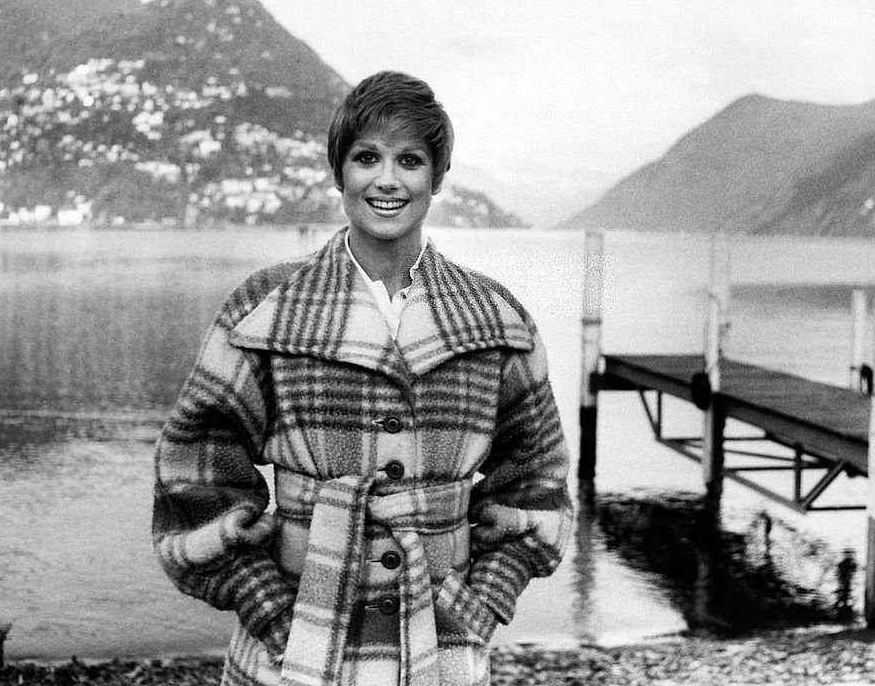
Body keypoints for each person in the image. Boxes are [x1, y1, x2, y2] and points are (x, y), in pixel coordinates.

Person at [152, 71, 573, 686]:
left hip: (442, 650)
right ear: (339, 172)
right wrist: (269, 607)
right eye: (366, 157)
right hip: (292, 649)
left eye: (410, 160)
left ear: (437, 177)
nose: (387, 179)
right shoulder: (264, 309)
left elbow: (537, 478)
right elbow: (195, 472)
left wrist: (481, 603)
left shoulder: (496, 320)